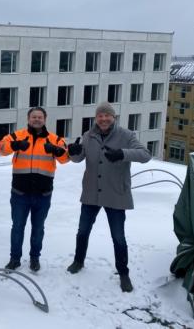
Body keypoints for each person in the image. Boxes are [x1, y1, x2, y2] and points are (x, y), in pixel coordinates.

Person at [65, 102, 151, 292]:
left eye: (107, 115)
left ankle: (123, 274)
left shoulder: (126, 135)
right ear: (96, 118)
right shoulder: (89, 136)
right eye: (100, 116)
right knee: (82, 231)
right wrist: (74, 153)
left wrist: (122, 153)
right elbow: (79, 158)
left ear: (114, 117)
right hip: (91, 193)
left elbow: (145, 155)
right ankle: (78, 261)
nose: (103, 119)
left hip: (115, 194)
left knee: (118, 237)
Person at [0, 107, 69, 272]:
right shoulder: (18, 135)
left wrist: (57, 150)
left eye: (39, 117)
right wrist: (15, 145)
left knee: (38, 229)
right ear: (28, 119)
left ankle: (34, 258)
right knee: (17, 227)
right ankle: (15, 259)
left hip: (43, 194)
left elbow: (66, 158)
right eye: (33, 117)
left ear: (44, 119)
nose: (36, 119)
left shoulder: (55, 139)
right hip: (19, 193)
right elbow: (1, 148)